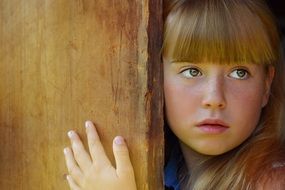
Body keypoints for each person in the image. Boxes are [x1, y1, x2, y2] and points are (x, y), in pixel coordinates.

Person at [63, 0, 285, 189]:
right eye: (192, 71)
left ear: (266, 84)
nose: (214, 98)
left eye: (239, 72)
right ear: (155, 79)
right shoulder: (167, 169)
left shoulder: (273, 181)